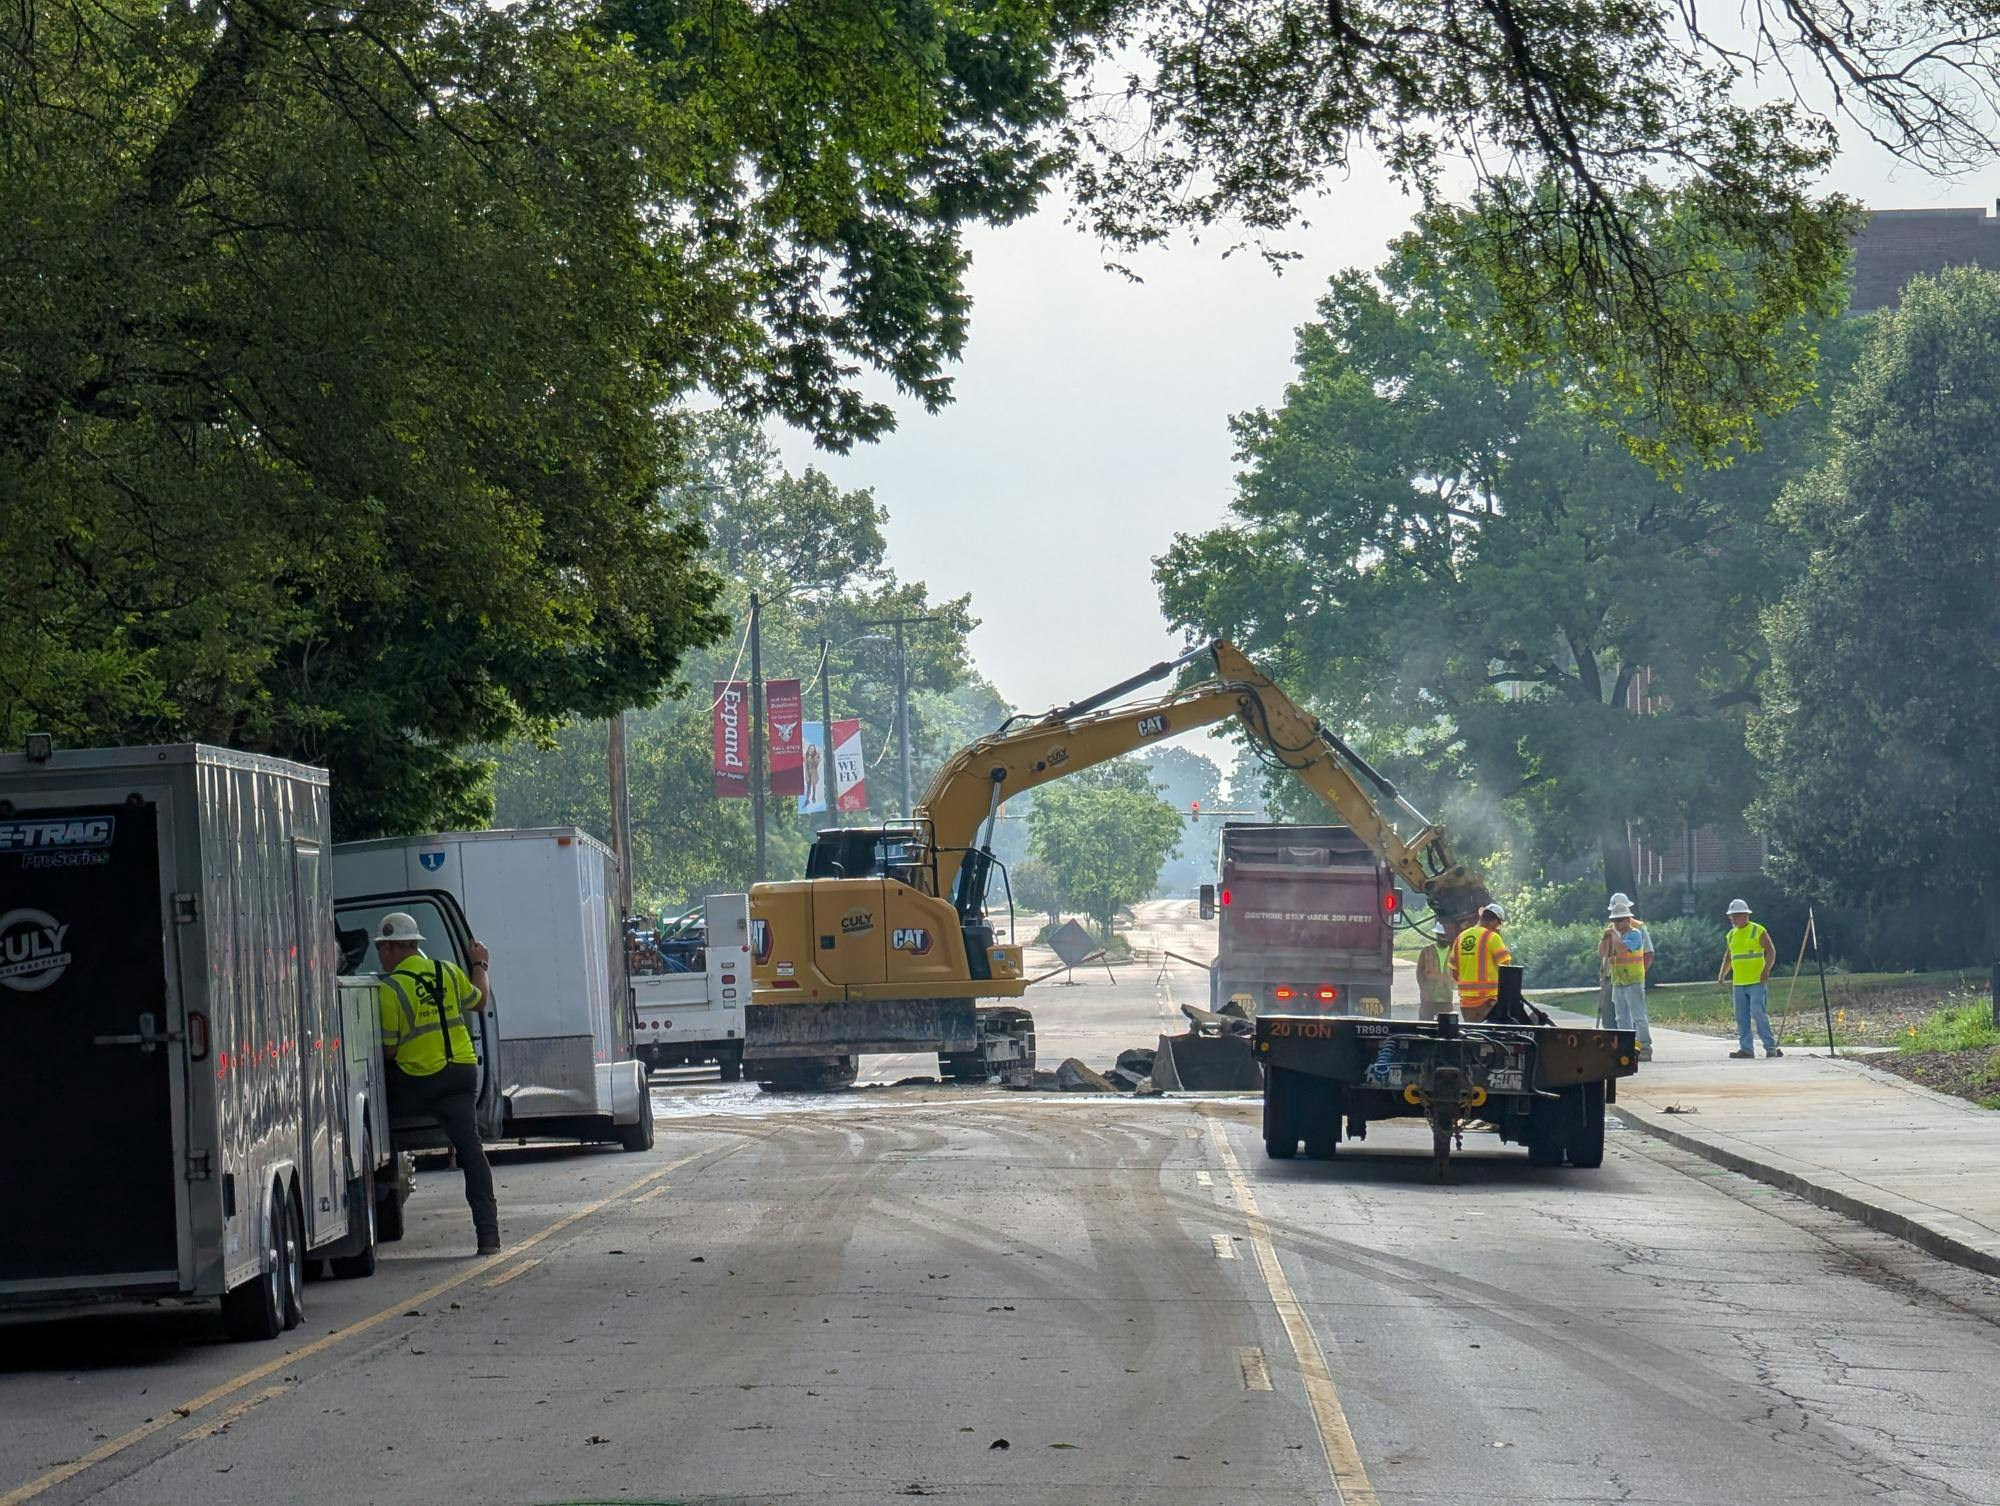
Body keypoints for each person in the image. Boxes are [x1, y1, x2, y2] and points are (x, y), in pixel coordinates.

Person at [375, 912, 501, 1254]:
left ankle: (380, 1195)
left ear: (391, 948)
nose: (379, 956)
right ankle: (489, 1238)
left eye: (381, 948)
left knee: (371, 1107)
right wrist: (481, 965)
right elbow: (479, 999)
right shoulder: (447, 970)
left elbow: (388, 1050)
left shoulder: (389, 989)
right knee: (471, 1151)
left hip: (418, 1082)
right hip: (460, 1074)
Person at [1717, 898, 1782, 1060]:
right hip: (1739, 982)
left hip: (1756, 981)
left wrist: (1766, 970)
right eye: (1731, 916)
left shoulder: (1758, 930)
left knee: (1758, 1012)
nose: (1732, 919)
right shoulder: (1731, 935)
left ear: (1745, 915)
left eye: (1735, 916)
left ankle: (1770, 1047)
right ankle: (1746, 1049)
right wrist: (1722, 975)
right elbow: (1729, 956)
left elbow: (1771, 951)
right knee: (1741, 1017)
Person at [1602, 896, 1655, 1061]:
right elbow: (1603, 954)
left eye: (1620, 919)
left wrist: (1642, 973)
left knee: (1638, 1016)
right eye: (1614, 919)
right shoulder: (1613, 931)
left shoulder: (1637, 930)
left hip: (1633, 979)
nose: (1616, 923)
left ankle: (1644, 1047)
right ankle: (1626, 1047)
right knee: (1621, 1017)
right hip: (1618, 979)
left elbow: (1640, 952)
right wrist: (1605, 938)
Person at [1453, 902, 1512, 1022]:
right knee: (1489, 1038)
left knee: (1472, 1036)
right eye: (1498, 925)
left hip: (1466, 1003)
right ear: (1494, 921)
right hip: (1488, 1002)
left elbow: (1454, 971)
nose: (1497, 928)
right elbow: (1507, 970)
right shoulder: (1492, 937)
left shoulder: (1461, 937)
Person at [1416, 919, 1461, 1021]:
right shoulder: (1426, 951)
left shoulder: (1453, 952)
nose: (1444, 939)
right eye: (1441, 936)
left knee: (1447, 1029)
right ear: (1436, 935)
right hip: (1428, 1000)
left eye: (1446, 936)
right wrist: (1423, 991)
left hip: (1446, 998)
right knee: (1424, 1027)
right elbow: (1419, 974)